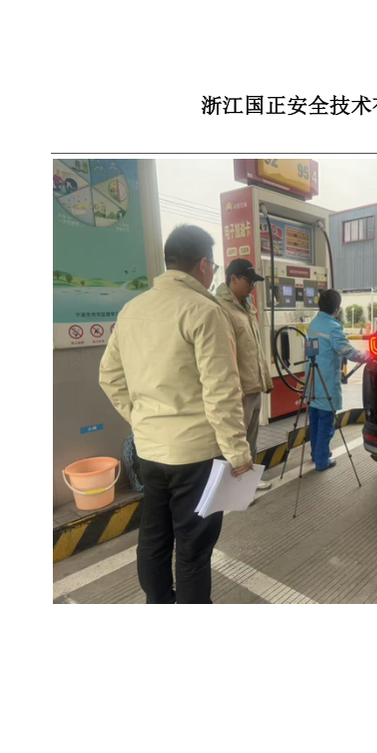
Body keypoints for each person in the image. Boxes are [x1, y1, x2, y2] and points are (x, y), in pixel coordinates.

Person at [98, 225, 251, 604]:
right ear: (203, 265)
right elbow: (221, 392)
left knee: (154, 535)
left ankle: (159, 604)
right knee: (193, 547)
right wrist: (238, 453)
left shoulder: (132, 310)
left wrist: (141, 420)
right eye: (213, 266)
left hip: (150, 451)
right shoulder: (205, 311)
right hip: (196, 456)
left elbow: (109, 376)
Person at [214, 258, 273, 458]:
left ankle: (251, 475)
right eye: (249, 281)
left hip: (254, 387)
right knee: (237, 446)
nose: (253, 287)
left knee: (251, 444)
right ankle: (239, 477)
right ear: (233, 279)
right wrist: (233, 391)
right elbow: (222, 356)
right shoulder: (221, 309)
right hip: (239, 392)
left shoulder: (246, 308)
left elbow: (254, 349)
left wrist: (264, 380)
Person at [303, 289, 366, 473]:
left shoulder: (314, 323)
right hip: (326, 382)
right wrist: (366, 356)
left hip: (313, 382)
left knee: (315, 421)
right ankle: (322, 460)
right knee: (326, 424)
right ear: (337, 308)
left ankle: (316, 453)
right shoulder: (333, 327)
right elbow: (348, 352)